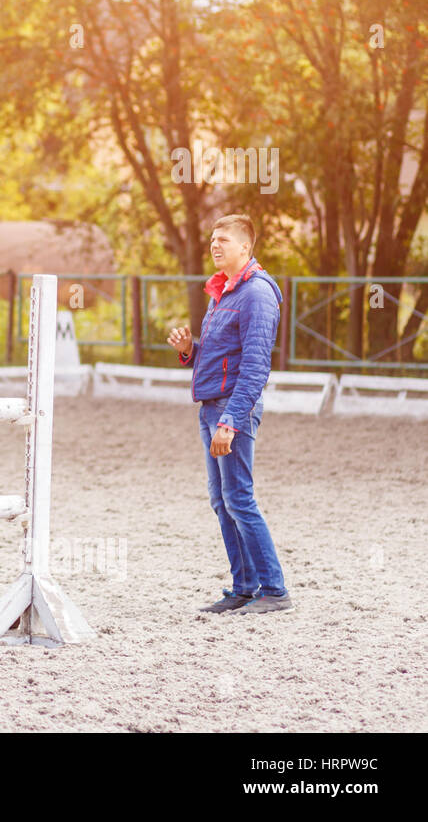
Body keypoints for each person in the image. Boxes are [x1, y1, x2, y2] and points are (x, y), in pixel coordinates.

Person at [167, 214, 293, 615]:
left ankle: (274, 591)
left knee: (239, 499)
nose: (214, 245)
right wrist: (190, 350)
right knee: (222, 501)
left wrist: (230, 421)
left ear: (245, 247)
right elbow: (220, 356)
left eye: (223, 240)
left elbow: (256, 367)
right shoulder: (222, 291)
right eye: (211, 239)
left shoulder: (257, 294)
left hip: (231, 410)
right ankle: (243, 587)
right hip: (212, 406)